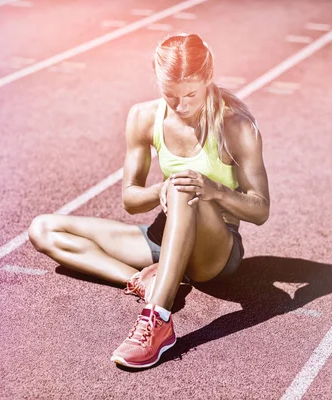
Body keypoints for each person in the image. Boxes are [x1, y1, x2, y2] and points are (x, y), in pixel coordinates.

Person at [28, 33, 270, 369]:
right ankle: (142, 280)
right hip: (165, 232)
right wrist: (159, 191)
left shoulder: (235, 126)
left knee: (183, 187)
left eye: (190, 94)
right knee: (43, 229)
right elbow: (130, 199)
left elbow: (260, 209)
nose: (181, 105)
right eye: (171, 95)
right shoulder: (143, 117)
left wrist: (215, 191)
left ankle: (158, 319)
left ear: (208, 78)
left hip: (215, 250)